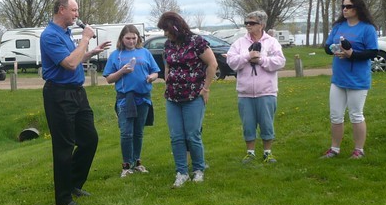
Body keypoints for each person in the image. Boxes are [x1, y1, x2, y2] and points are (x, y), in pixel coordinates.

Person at [40, 0, 111, 205]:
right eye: (74, 10)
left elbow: (74, 57)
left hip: (77, 93)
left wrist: (89, 53)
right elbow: (70, 63)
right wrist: (86, 39)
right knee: (64, 146)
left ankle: (73, 183)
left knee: (89, 139)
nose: (77, 15)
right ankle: (63, 199)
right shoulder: (49, 35)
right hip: (59, 95)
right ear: (61, 10)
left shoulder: (65, 33)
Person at [157, 12, 218, 187]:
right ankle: (181, 172)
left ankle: (198, 169)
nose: (165, 34)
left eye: (166, 30)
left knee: (192, 135)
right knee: (176, 136)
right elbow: (167, 65)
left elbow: (212, 64)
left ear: (175, 27)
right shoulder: (168, 45)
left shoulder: (196, 42)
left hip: (193, 95)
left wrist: (205, 88)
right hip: (173, 97)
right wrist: (167, 83)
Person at [322, 0, 379, 159]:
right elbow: (327, 46)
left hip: (357, 80)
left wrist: (352, 54)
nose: (344, 9)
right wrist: (335, 50)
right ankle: (334, 149)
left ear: (358, 8)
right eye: (343, 7)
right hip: (338, 79)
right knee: (335, 115)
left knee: (356, 115)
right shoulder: (339, 26)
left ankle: (358, 150)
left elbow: (372, 52)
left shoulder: (367, 28)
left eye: (348, 7)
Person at [225, 11, 286, 164]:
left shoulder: (271, 42)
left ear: (262, 25)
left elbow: (280, 62)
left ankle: (267, 153)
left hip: (267, 91)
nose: (248, 25)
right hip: (245, 93)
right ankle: (250, 153)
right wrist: (247, 56)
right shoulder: (239, 43)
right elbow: (231, 62)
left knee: (267, 123)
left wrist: (261, 60)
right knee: (248, 124)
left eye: (252, 23)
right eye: (246, 22)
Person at [103, 24, 160, 177]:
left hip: (143, 98)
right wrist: (122, 71)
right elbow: (109, 79)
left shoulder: (145, 52)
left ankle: (137, 162)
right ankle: (126, 165)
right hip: (125, 99)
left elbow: (155, 72)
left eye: (134, 38)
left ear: (138, 38)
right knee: (126, 133)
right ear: (122, 38)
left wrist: (151, 77)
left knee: (138, 132)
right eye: (128, 38)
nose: (131, 41)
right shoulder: (116, 55)